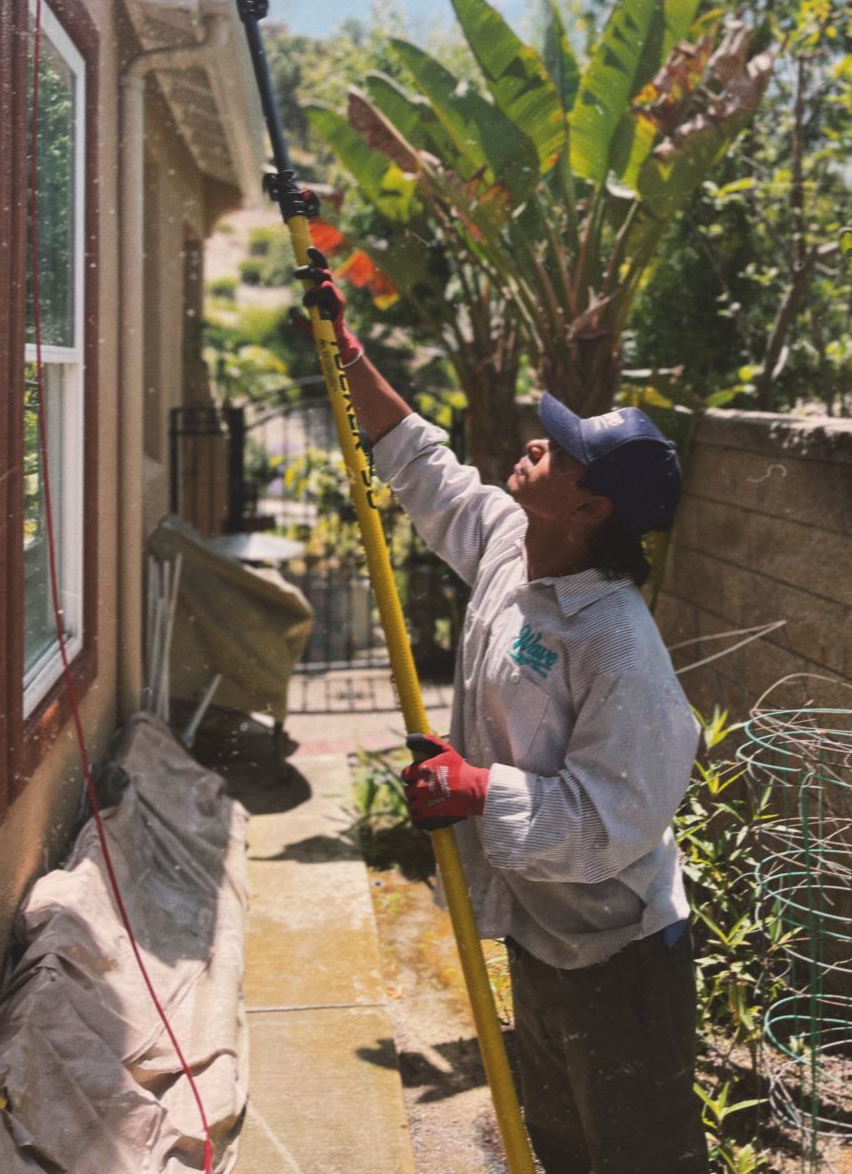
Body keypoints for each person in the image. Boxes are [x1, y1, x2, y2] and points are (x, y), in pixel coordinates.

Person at [309, 264, 708, 1174]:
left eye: (562, 453)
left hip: (618, 954)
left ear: (591, 508)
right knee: (558, 1139)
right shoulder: (509, 543)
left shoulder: (617, 643)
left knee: (639, 1154)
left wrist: (477, 788)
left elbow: (615, 819)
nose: (537, 444)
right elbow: (419, 462)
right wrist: (349, 349)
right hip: (542, 931)